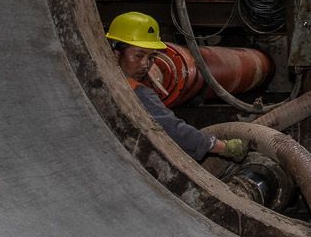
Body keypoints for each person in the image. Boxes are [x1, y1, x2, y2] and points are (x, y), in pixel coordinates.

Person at [106, 12, 248, 163]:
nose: (145, 65)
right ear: (116, 53)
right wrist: (223, 147)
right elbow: (174, 130)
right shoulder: (139, 93)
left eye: (151, 57)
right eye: (138, 56)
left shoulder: (101, 78)